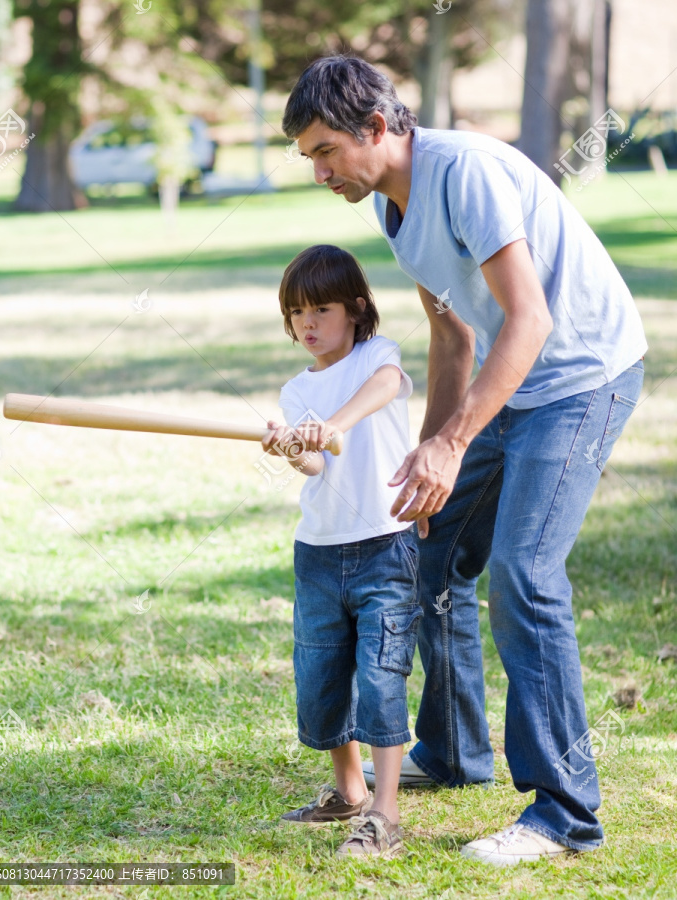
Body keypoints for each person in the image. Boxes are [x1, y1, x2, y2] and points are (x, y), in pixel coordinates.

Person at [281, 56, 647, 865]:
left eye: (325, 151)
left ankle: (563, 812)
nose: (318, 172)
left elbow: (528, 320)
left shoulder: (466, 174)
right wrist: (430, 452)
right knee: (428, 548)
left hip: (582, 377)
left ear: (376, 129)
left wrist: (454, 442)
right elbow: (455, 336)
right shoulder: (389, 205)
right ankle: (451, 751)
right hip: (510, 384)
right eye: (308, 155)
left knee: (524, 573)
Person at [263, 243, 420, 859]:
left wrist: (338, 423)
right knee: (323, 673)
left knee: (382, 673)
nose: (308, 324)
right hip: (320, 552)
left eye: (321, 309)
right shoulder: (294, 390)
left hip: (384, 544)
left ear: (356, 309)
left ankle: (385, 811)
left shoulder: (375, 358)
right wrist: (293, 447)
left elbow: (385, 388)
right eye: (296, 312)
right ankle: (349, 791)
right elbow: (309, 464)